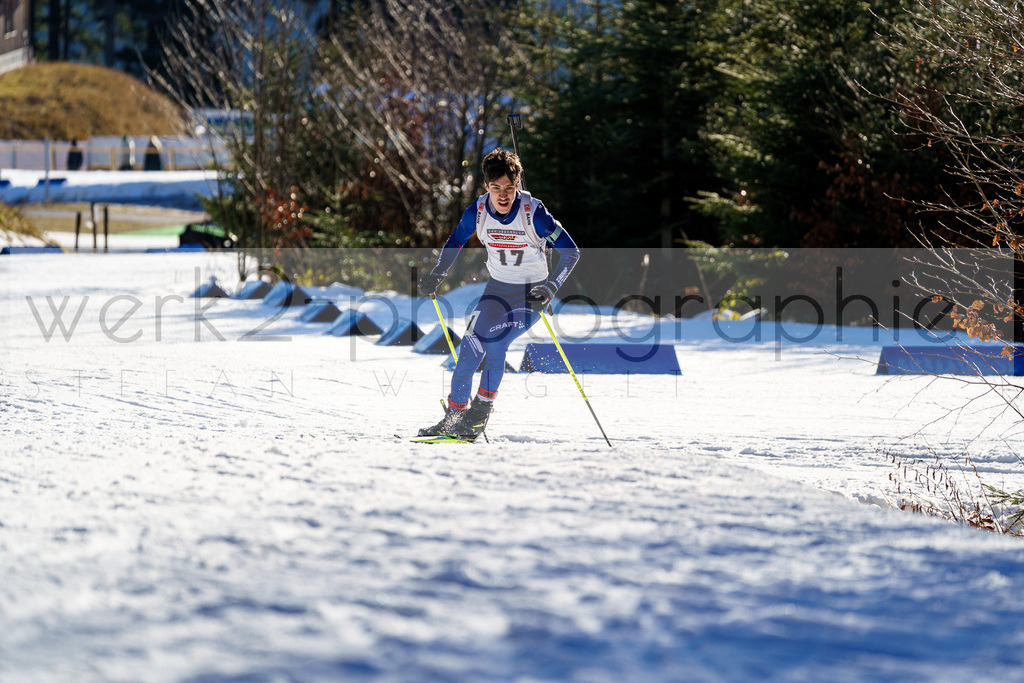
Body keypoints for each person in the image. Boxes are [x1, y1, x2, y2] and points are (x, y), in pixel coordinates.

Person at [417, 148, 580, 441]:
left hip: (531, 296)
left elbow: (571, 252)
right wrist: (438, 274)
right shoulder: (477, 212)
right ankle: (453, 419)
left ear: (517, 185)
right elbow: (455, 241)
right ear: (486, 187)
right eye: (495, 188)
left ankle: (478, 416)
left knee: (496, 342)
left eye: (509, 188)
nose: (502, 195)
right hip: (496, 290)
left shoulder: (534, 212)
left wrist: (551, 288)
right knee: (468, 350)